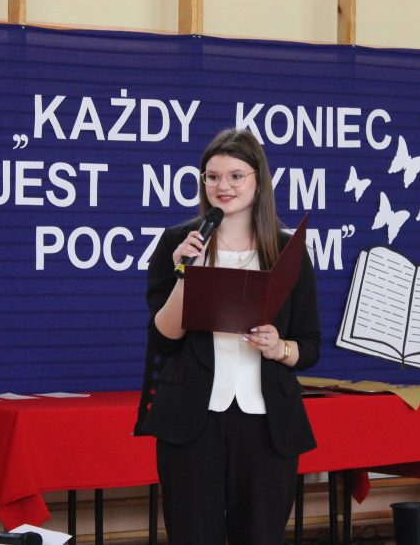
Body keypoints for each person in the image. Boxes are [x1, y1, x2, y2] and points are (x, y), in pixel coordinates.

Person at [136, 128, 321, 545]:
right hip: (192, 420)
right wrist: (187, 275)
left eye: (236, 176)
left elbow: (310, 345)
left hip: (266, 423)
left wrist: (279, 347)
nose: (224, 186)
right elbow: (164, 338)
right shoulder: (177, 242)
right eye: (213, 176)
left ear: (258, 181)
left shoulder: (287, 249)